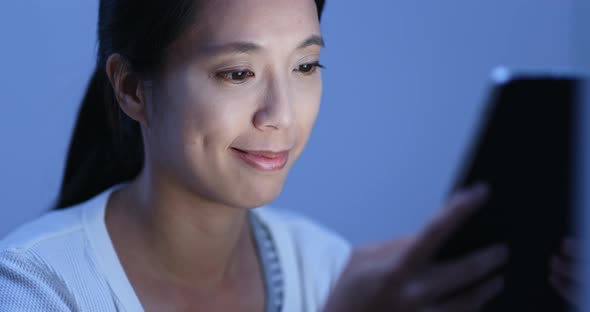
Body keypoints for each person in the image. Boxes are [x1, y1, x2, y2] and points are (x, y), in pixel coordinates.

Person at [0, 0, 580, 311]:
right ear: (131, 89)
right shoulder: (35, 288)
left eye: (304, 66)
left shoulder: (327, 267)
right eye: (238, 72)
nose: (280, 113)